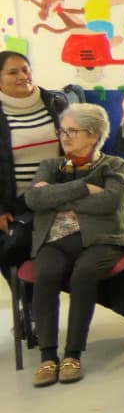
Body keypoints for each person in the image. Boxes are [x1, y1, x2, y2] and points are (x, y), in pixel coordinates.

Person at [24, 103, 124, 389]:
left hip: (101, 241)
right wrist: (83, 188)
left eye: (73, 131)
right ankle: (48, 356)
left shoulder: (113, 165)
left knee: (84, 274)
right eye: (63, 131)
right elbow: (33, 201)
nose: (65, 137)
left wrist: (55, 197)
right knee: (45, 274)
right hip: (55, 241)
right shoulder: (50, 165)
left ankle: (72, 355)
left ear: (94, 135)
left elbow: (110, 202)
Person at [0, 51, 67, 273]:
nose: (22, 76)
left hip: (59, 198)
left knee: (58, 263)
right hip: (16, 206)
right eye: (13, 72)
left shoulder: (55, 103)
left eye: (26, 69)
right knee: (19, 255)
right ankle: (28, 305)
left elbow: (75, 148)